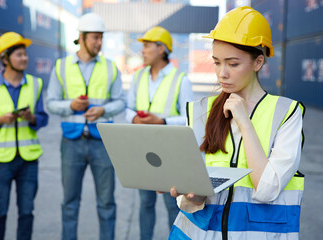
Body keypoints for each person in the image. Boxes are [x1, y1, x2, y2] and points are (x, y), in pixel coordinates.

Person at [168, 6, 305, 240]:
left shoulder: (286, 113)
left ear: (257, 62)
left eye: (232, 64)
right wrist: (191, 197)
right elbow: (190, 191)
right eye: (217, 62)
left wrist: (244, 122)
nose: (222, 73)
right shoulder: (201, 111)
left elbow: (267, 189)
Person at [46, 12, 126, 240]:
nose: (99, 43)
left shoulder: (110, 68)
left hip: (102, 143)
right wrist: (70, 105)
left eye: (100, 37)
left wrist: (103, 110)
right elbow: (50, 103)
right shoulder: (61, 67)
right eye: (94, 37)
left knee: (107, 204)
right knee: (70, 203)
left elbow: (121, 101)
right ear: (81, 37)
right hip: (71, 143)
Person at [125, 26, 194, 240]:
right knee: (145, 204)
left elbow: (189, 118)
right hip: (144, 151)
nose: (142, 50)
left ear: (162, 49)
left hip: (170, 155)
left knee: (173, 205)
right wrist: (134, 118)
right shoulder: (138, 78)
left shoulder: (180, 80)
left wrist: (162, 121)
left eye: (146, 46)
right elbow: (128, 109)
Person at [0, 32, 48, 240]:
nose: (24, 58)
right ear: (5, 58)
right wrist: (0, 120)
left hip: (28, 160)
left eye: (25, 54)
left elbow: (43, 119)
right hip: (1, 162)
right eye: (19, 54)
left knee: (26, 213)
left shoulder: (35, 84)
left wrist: (31, 117)